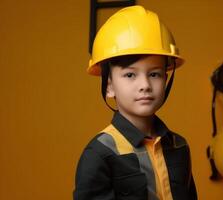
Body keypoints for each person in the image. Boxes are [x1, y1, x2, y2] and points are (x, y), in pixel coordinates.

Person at [73, 5, 198, 200]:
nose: (145, 85)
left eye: (154, 74)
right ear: (109, 86)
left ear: (166, 79)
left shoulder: (179, 146)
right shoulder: (100, 153)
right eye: (130, 74)